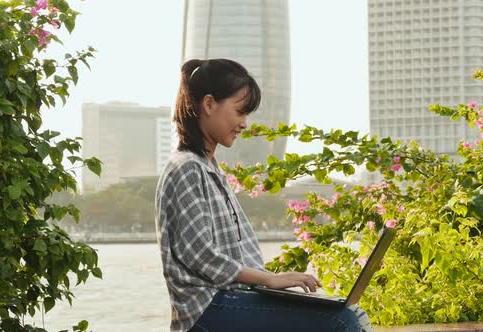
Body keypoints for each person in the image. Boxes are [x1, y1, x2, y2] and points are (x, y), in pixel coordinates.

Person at [155, 58, 373, 332]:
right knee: (341, 320)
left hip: (233, 298)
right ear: (209, 104)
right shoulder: (186, 168)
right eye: (240, 112)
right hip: (206, 309)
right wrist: (270, 280)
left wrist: (270, 282)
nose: (244, 124)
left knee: (350, 312)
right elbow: (200, 255)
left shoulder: (209, 167)